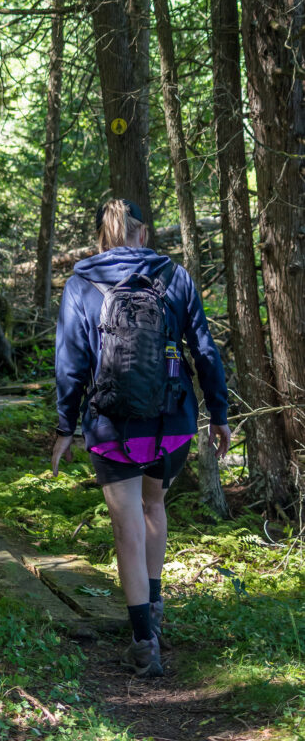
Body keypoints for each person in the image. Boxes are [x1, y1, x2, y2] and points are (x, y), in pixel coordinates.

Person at [52, 198, 231, 677]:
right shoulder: (176, 277)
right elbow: (205, 350)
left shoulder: (80, 284)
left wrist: (64, 427)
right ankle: (153, 607)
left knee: (126, 525)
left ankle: (142, 641)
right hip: (171, 424)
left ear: (101, 238)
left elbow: (71, 364)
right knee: (155, 507)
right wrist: (220, 414)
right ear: (143, 233)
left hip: (110, 426)